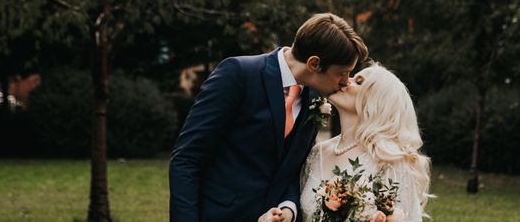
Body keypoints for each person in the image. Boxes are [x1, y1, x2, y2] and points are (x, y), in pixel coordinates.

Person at [169, 13, 369, 222]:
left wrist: (288, 207)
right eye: (342, 73)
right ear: (314, 64)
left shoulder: (314, 98)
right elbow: (187, 159)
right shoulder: (239, 74)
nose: (346, 82)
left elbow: (292, 168)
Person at [300, 64, 430, 222]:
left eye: (359, 81)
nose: (346, 80)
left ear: (377, 102)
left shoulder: (389, 159)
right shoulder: (317, 152)